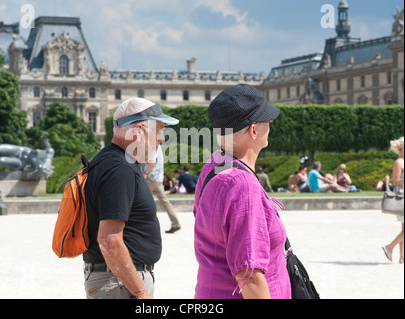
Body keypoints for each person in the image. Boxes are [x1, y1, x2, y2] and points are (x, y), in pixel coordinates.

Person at [194, 84, 291, 299]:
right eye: (267, 119)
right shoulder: (243, 186)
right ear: (253, 130)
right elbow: (249, 275)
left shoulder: (214, 164)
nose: (272, 122)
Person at [82, 97, 179, 299]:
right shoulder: (119, 169)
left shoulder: (111, 161)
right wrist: (141, 293)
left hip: (117, 280)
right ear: (139, 130)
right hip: (119, 283)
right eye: (159, 131)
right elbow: (109, 241)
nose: (162, 139)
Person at [141, 147, 181, 234]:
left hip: (150, 178)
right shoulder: (158, 146)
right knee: (165, 202)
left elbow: (151, 162)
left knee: (139, 200)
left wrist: (145, 173)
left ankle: (141, 226)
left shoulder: (151, 144)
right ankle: (175, 223)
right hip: (158, 179)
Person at [382, 137, 404, 264]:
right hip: (402, 198)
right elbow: (396, 182)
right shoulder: (398, 162)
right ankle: (390, 247)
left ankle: (402, 257)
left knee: (403, 229)